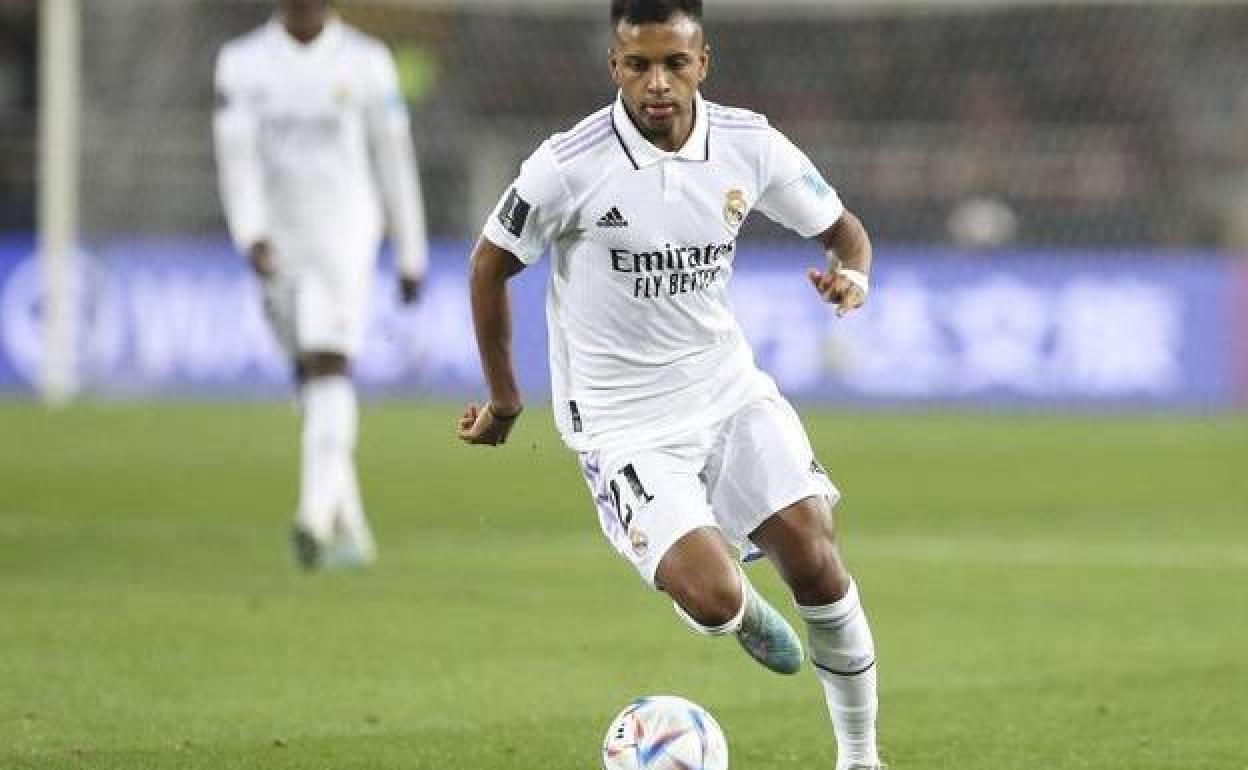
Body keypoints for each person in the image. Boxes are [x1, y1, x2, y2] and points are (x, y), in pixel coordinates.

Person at [458, 2, 884, 767]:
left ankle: (860, 759)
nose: (657, 83)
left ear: (703, 64)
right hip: (624, 425)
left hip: (726, 391)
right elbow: (490, 263)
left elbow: (843, 229)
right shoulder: (568, 164)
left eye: (675, 64)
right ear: (613, 66)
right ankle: (729, 605)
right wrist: (505, 398)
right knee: (715, 596)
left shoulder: (748, 144)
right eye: (638, 65)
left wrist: (852, 274)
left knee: (817, 558)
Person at [213, 0, 428, 570]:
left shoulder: (367, 62)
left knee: (330, 365)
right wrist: (250, 233)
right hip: (279, 245)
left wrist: (411, 250)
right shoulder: (241, 64)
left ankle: (311, 516)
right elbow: (236, 159)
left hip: (345, 236)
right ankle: (349, 528)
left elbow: (394, 159)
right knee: (309, 378)